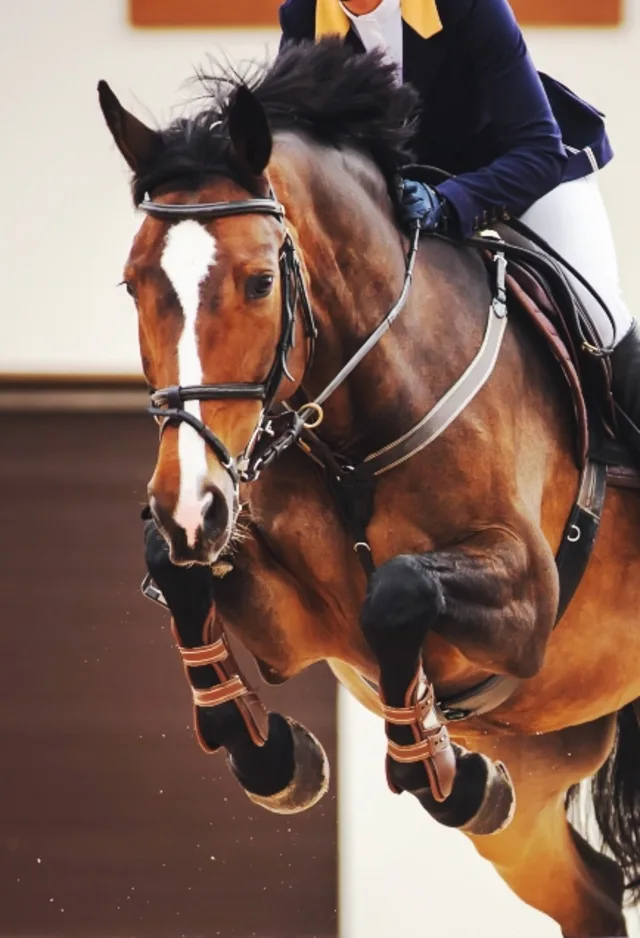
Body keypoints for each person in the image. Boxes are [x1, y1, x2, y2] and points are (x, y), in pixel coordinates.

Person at [278, 0, 640, 454]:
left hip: (520, 177)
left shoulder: (468, 5)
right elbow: (292, 145)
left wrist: (451, 202)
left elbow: (538, 150)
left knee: (600, 317)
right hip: (407, 201)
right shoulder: (303, 16)